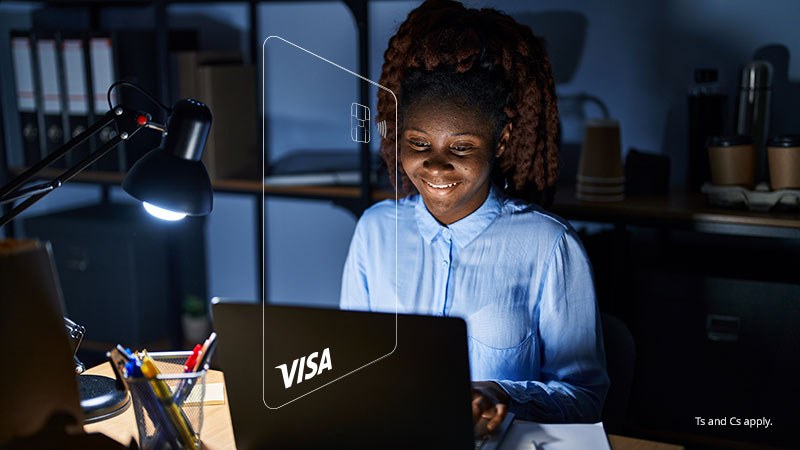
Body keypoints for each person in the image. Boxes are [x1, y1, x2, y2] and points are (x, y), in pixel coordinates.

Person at [339, 0, 609, 434]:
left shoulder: (549, 245)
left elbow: (586, 398)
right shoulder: (374, 230)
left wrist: (503, 395)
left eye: (461, 147)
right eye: (418, 143)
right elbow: (351, 366)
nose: (436, 166)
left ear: (500, 142)